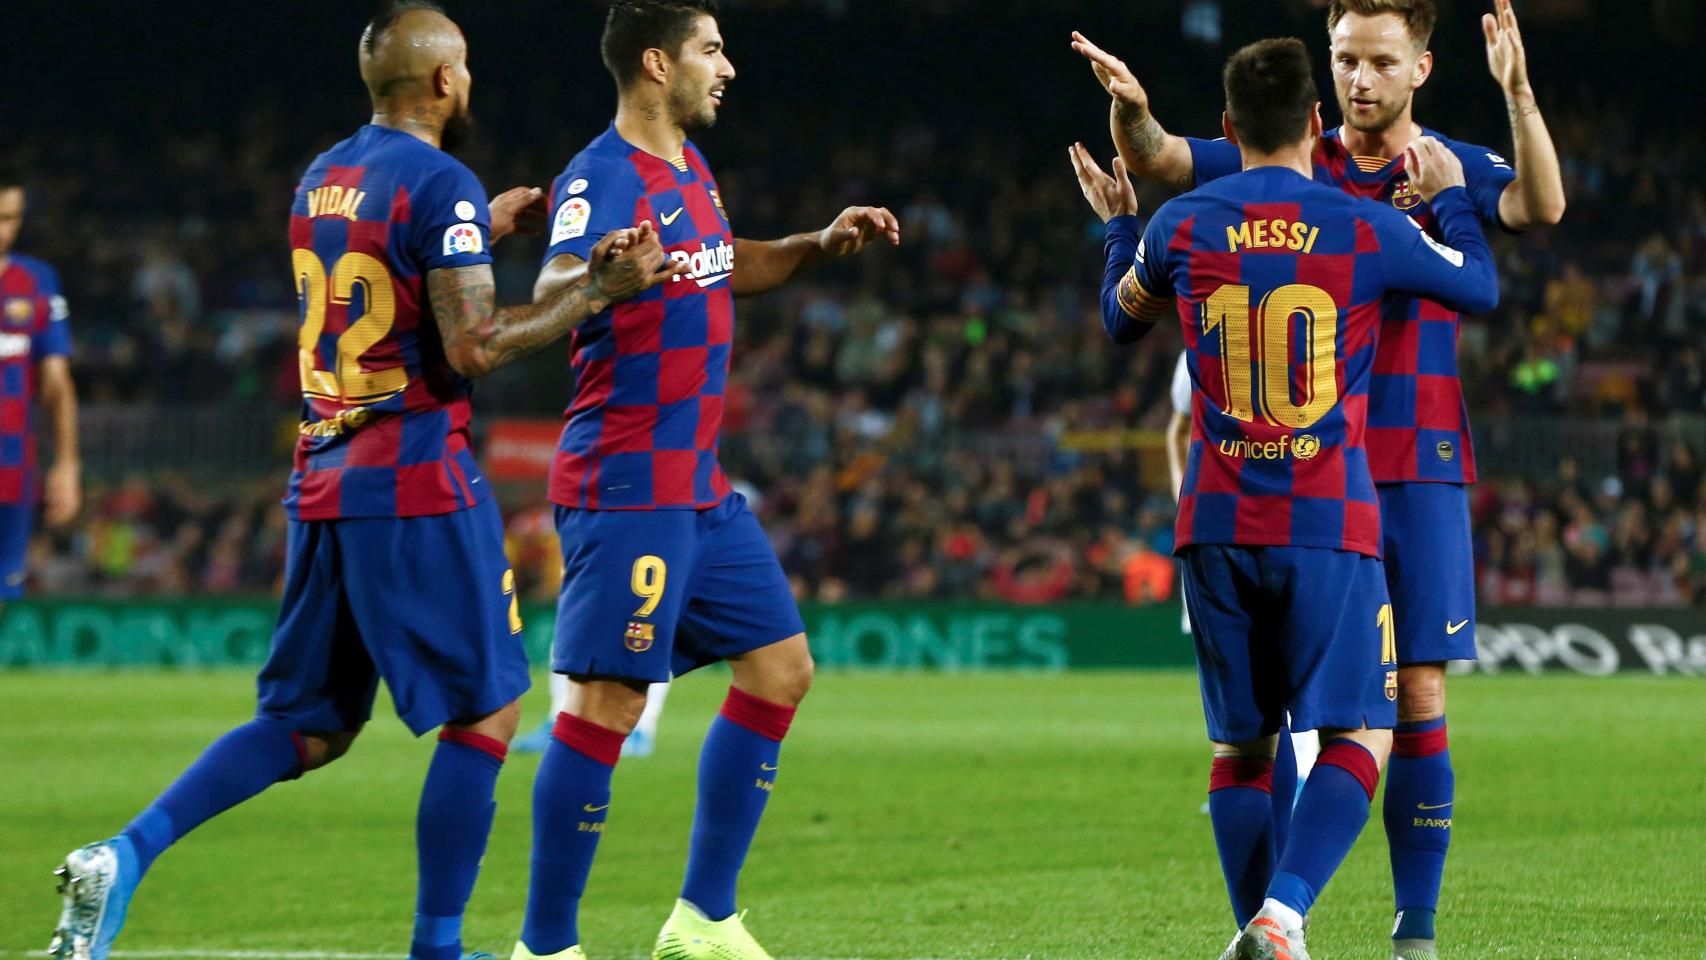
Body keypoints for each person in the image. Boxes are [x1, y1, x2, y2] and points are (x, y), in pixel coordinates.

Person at [47, 5, 679, 960]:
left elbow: (384, 269)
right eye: (461, 67)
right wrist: (599, 292)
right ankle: (439, 949)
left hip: (325, 472)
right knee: (487, 712)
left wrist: (479, 231)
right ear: (439, 82)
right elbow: (471, 346)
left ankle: (123, 855)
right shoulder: (441, 181)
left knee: (308, 723)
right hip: (415, 472)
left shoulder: (324, 175)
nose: (469, 81)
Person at [1072, 3, 1565, 954]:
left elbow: (1541, 206)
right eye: (1345, 59)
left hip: (1405, 459)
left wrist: (1517, 93)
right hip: (1321, 475)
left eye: (1381, 60)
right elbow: (1163, 158)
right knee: (1321, 720)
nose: (1360, 79)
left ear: (1419, 67)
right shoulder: (1305, 169)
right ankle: (1279, 919)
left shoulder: (1449, 160)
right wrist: (1133, 114)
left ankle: (1408, 931)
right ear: (1320, 84)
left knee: (1411, 696)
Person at [512, 4, 898, 960]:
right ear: (656, 63)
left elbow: (727, 268)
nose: (728, 67)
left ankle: (703, 919)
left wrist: (817, 245)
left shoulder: (688, 168)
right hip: (626, 482)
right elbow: (545, 298)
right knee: (608, 705)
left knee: (781, 669)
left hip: (697, 488)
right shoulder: (601, 177)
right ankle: (545, 947)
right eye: (711, 50)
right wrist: (600, 280)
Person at [0, 167, 81, 602]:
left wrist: (67, 464)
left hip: (12, 471)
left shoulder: (35, 281)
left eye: (10, 218)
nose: (3, 230)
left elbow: (56, 382)